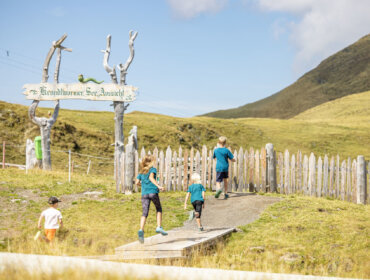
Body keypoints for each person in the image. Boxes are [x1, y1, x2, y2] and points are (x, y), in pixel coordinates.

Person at [136, 155, 167, 243]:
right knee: (159, 209)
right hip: (153, 192)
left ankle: (141, 229)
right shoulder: (152, 169)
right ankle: (159, 227)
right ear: (151, 161)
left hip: (144, 194)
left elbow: (137, 182)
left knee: (144, 213)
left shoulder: (141, 171)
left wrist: (143, 186)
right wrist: (159, 186)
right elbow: (151, 178)